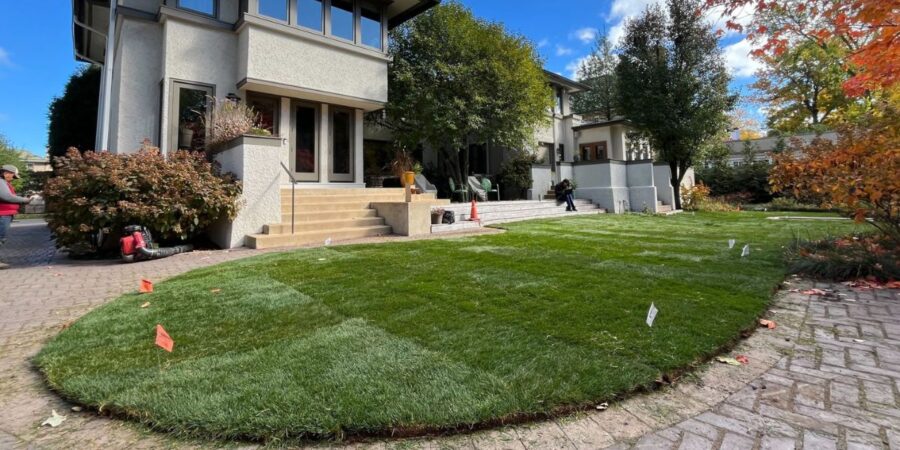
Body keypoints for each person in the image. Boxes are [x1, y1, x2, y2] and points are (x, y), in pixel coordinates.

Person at [0, 165, 32, 270]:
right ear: (6, 173)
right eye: (13, 176)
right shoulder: (1, 182)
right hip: (2, 214)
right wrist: (24, 200)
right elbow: (6, 197)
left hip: (5, 214)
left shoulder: (4, 183)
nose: (13, 179)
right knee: (0, 237)